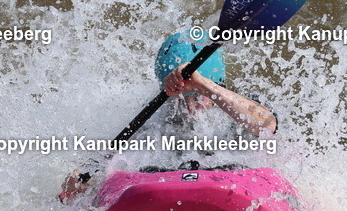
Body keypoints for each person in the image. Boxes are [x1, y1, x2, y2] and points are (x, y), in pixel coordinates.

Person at [59, 28, 276, 201]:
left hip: (234, 190)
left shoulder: (237, 106)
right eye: (182, 99)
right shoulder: (153, 115)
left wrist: (201, 84)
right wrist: (80, 180)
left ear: (216, 85)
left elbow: (267, 125)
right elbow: (107, 162)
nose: (191, 108)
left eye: (199, 96)